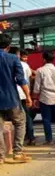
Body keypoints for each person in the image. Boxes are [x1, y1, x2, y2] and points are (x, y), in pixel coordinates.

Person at [0, 34, 32, 164]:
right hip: (11, 98)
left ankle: (0, 157)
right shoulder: (13, 58)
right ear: (8, 46)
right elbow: (21, 80)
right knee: (20, 122)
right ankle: (18, 152)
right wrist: (28, 96)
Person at [33, 51, 55, 145]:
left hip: (45, 98)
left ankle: (49, 140)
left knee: (46, 120)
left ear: (44, 59)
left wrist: (35, 98)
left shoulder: (40, 70)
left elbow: (37, 86)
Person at [9, 47, 35, 146]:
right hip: (23, 93)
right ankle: (31, 137)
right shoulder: (25, 65)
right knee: (26, 116)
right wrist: (29, 94)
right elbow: (27, 80)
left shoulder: (7, 63)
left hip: (13, 94)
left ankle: (17, 139)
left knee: (13, 118)